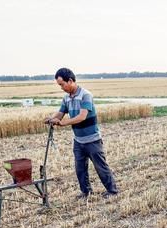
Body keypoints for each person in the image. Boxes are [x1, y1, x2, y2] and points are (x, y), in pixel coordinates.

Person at [45, 68, 118, 199]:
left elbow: (82, 117)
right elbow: (61, 113)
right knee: (80, 169)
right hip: (78, 140)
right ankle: (86, 192)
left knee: (100, 167)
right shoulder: (66, 98)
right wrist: (52, 119)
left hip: (92, 139)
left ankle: (112, 191)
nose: (61, 88)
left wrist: (63, 123)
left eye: (62, 84)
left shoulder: (85, 95)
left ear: (71, 81)